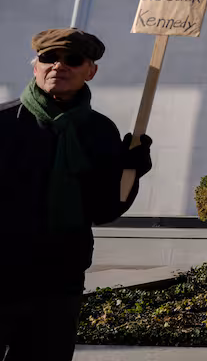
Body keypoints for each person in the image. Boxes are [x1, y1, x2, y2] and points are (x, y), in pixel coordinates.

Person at [0, 28, 153, 361]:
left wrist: (130, 171)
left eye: (72, 60)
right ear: (35, 66)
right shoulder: (3, 123)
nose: (59, 66)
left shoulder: (99, 131)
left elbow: (105, 209)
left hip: (59, 279)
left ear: (90, 71)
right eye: (49, 58)